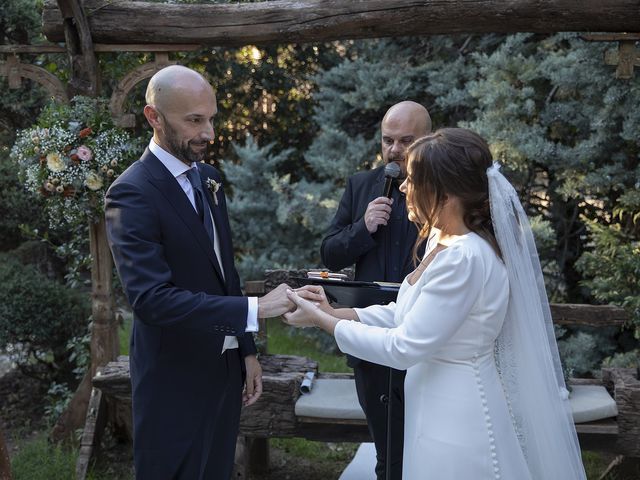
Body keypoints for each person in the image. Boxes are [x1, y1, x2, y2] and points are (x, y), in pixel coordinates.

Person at [286, 128, 586, 479]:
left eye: (412, 180)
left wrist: (327, 324)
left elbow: (404, 346)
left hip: (458, 417)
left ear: (443, 192)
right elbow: (404, 312)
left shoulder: (464, 258)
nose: (402, 188)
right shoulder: (441, 241)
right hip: (431, 405)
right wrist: (336, 311)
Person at [105, 65, 292, 480]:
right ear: (154, 117)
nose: (208, 132)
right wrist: (256, 309)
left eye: (211, 118)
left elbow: (224, 270)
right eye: (194, 120)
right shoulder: (131, 192)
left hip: (224, 372)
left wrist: (246, 350)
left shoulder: (209, 178)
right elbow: (151, 300)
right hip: (174, 378)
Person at [320, 101, 431, 479]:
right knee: (386, 450)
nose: (395, 150)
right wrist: (362, 229)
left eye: (406, 140)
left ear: (427, 140)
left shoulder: (442, 193)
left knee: (424, 445)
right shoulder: (361, 185)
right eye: (388, 140)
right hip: (369, 336)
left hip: (424, 335)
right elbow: (330, 255)